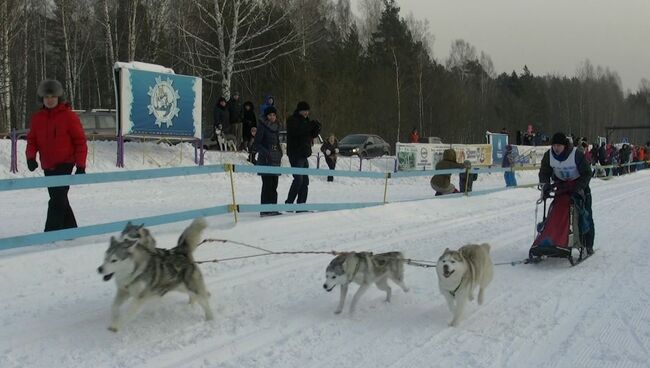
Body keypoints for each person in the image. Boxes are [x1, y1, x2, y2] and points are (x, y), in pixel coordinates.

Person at [26, 79, 87, 232]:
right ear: (42, 99)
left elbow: (80, 141)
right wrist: (30, 157)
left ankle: (50, 233)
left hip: (65, 163)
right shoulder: (37, 118)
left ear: (59, 97)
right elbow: (32, 140)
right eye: (47, 97)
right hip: (47, 165)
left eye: (53, 96)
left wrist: (80, 165)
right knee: (60, 199)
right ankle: (71, 230)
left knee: (56, 199)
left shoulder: (69, 116)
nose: (50, 100)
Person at [539, 132, 594, 254]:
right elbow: (544, 172)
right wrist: (546, 185)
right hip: (562, 187)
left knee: (585, 215)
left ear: (565, 145)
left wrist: (579, 188)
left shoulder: (576, 154)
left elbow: (587, 173)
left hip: (580, 186)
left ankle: (588, 245)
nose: (556, 148)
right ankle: (555, 240)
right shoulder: (549, 156)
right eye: (554, 145)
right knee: (557, 214)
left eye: (559, 145)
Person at [284, 101, 321, 208]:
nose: (306, 113)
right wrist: (310, 125)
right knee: (298, 179)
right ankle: (289, 204)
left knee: (305, 181)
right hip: (295, 154)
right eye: (304, 111)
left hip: (304, 154)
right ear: (299, 110)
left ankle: (301, 205)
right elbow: (299, 131)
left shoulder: (306, 121)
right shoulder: (292, 120)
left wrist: (317, 128)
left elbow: (311, 134)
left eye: (307, 111)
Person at [254, 106, 283, 217]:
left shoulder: (276, 127)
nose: (272, 117)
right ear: (266, 116)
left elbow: (277, 143)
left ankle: (273, 208)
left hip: (275, 159)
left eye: (274, 115)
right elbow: (257, 144)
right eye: (270, 115)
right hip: (265, 160)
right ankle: (265, 209)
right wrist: (267, 153)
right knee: (267, 184)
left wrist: (280, 153)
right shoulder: (262, 127)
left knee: (274, 185)